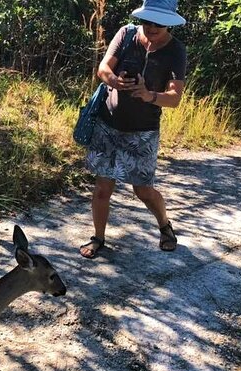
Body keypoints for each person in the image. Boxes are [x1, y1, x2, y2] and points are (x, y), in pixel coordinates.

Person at [79, 0, 187, 259]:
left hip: (143, 132)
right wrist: (114, 80)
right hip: (108, 126)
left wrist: (148, 94)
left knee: (143, 190)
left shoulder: (175, 50)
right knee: (103, 187)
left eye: (158, 23)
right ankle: (98, 238)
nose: (151, 27)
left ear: (170, 23)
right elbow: (103, 68)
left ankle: (165, 227)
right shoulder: (126, 34)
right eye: (147, 21)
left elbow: (174, 97)